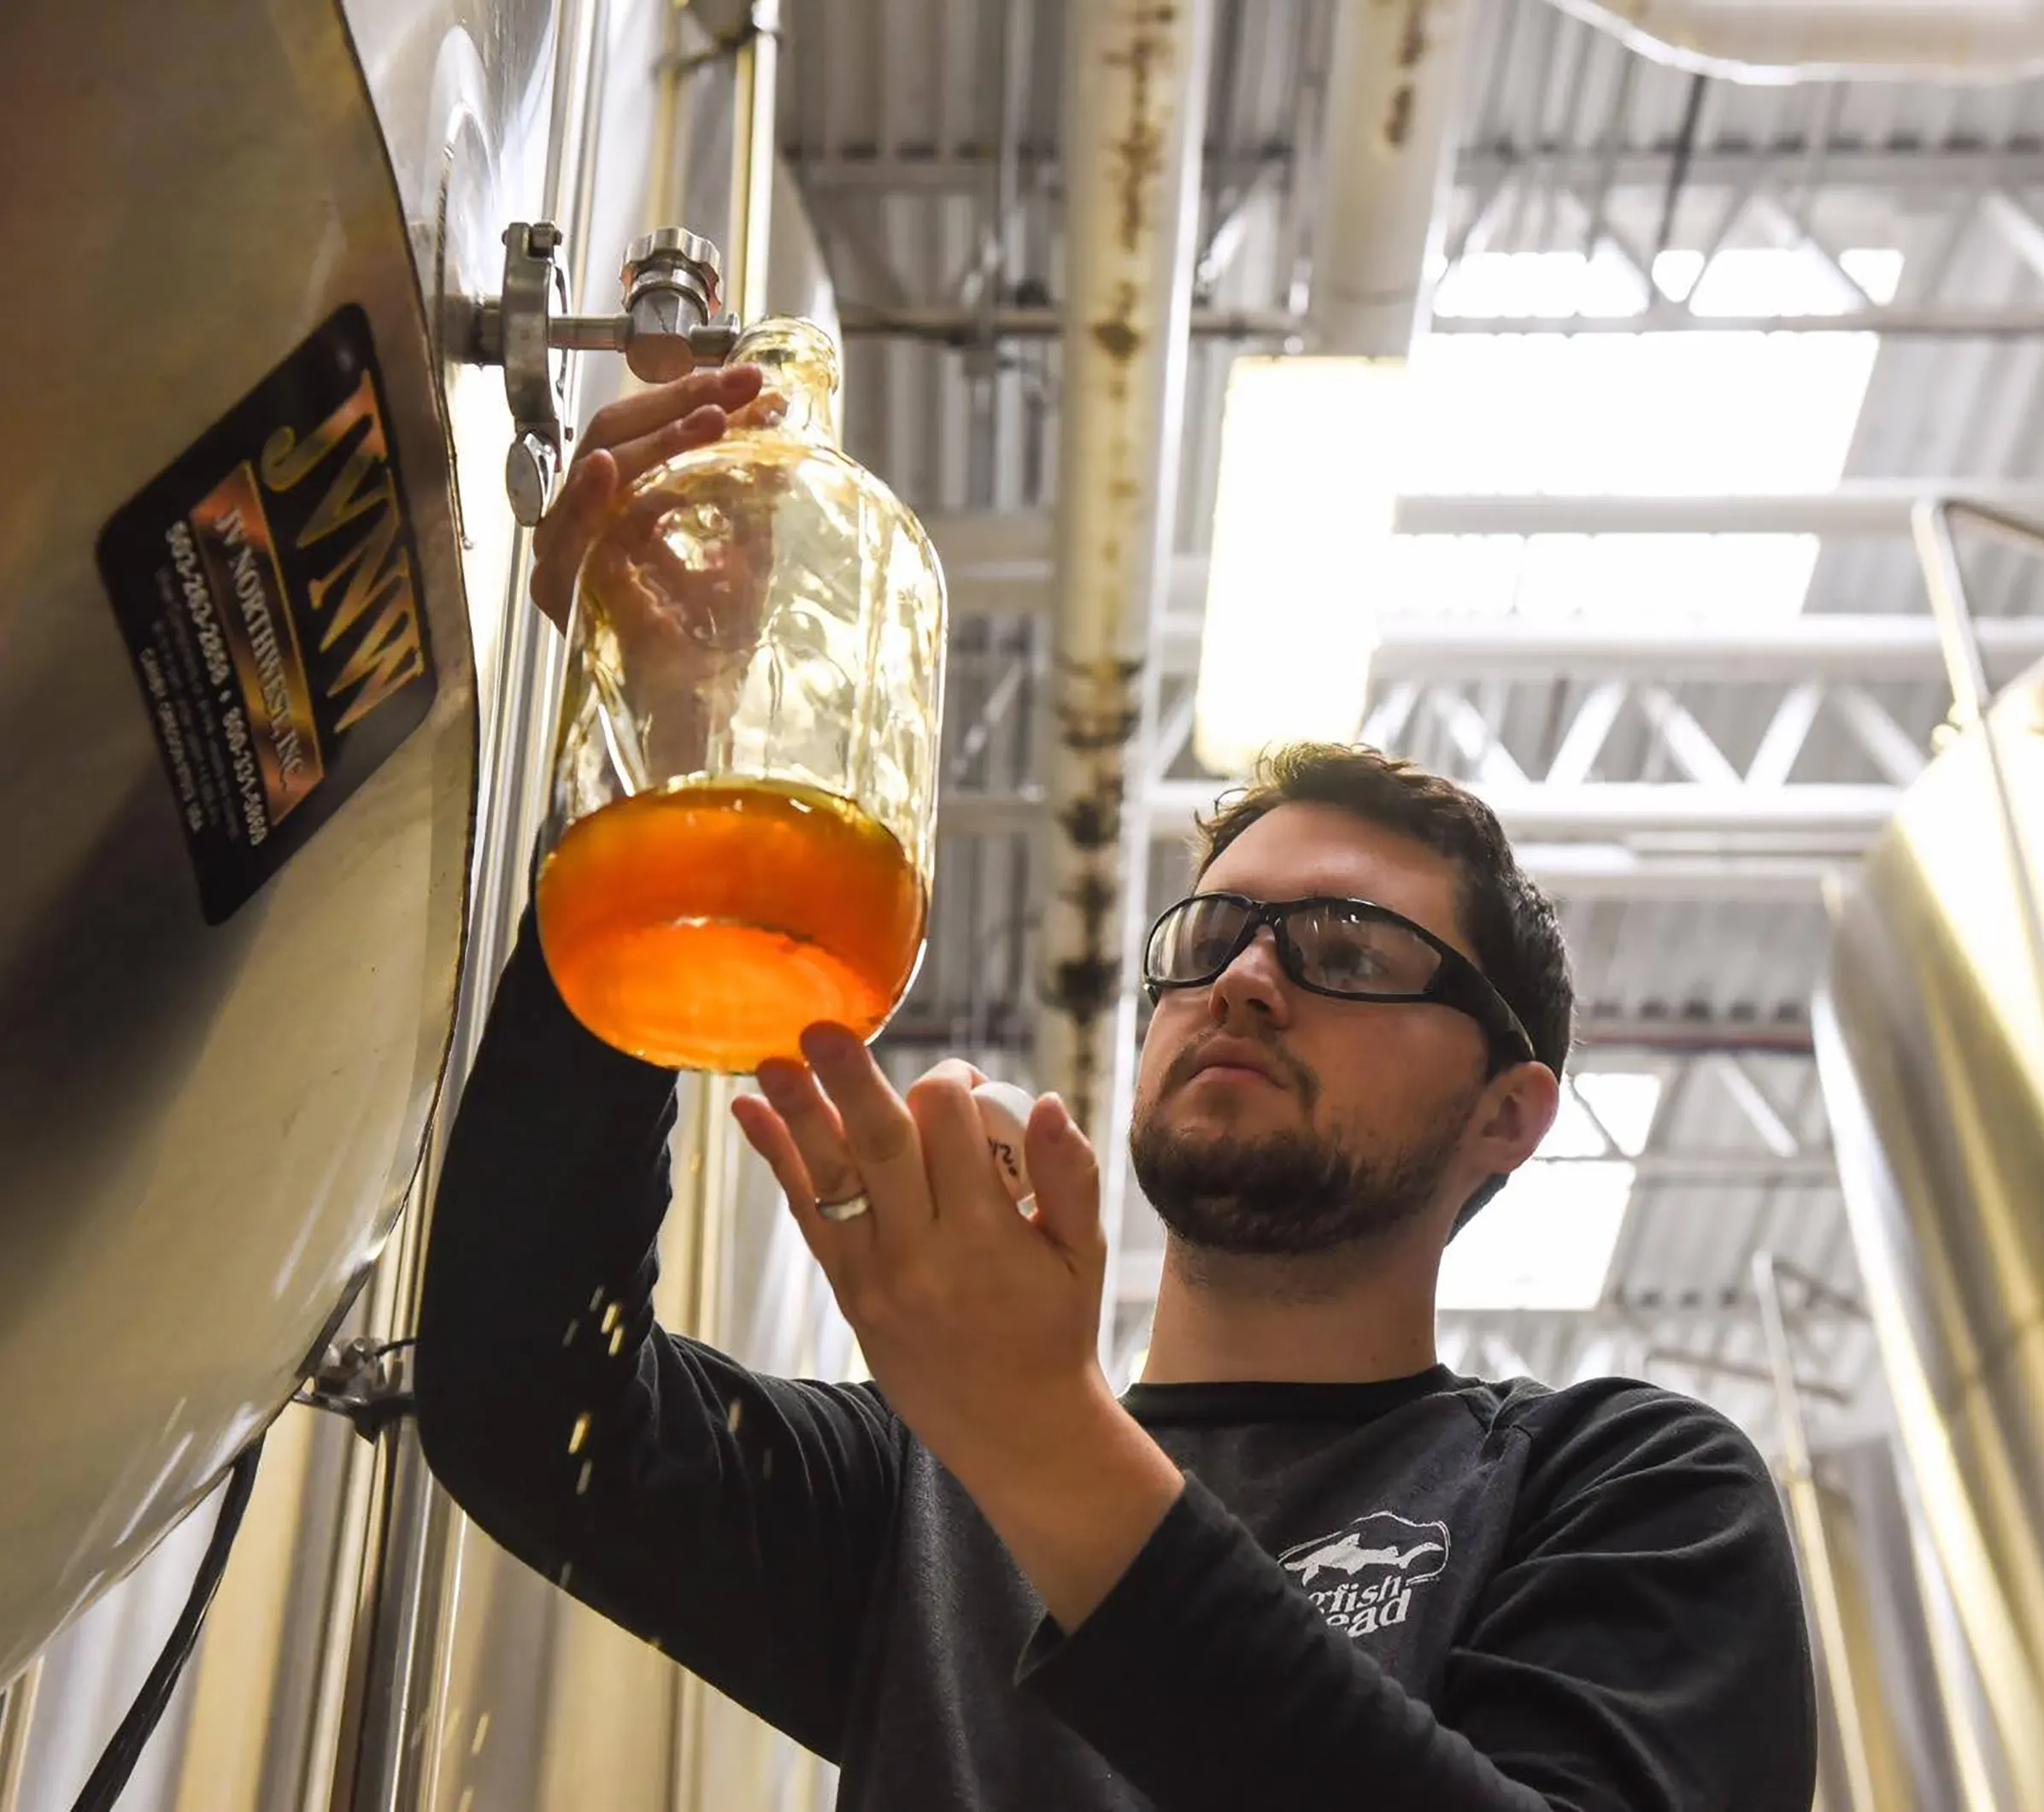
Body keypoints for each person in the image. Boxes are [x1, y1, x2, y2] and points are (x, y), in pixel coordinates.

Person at [414, 363, 1818, 1811]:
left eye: (1346, 947)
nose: (1247, 979)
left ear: (1504, 1114)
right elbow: (522, 1401)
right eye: (1214, 936)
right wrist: (665, 750)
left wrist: (1042, 1434)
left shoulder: (1618, 1486)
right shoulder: (926, 1494)